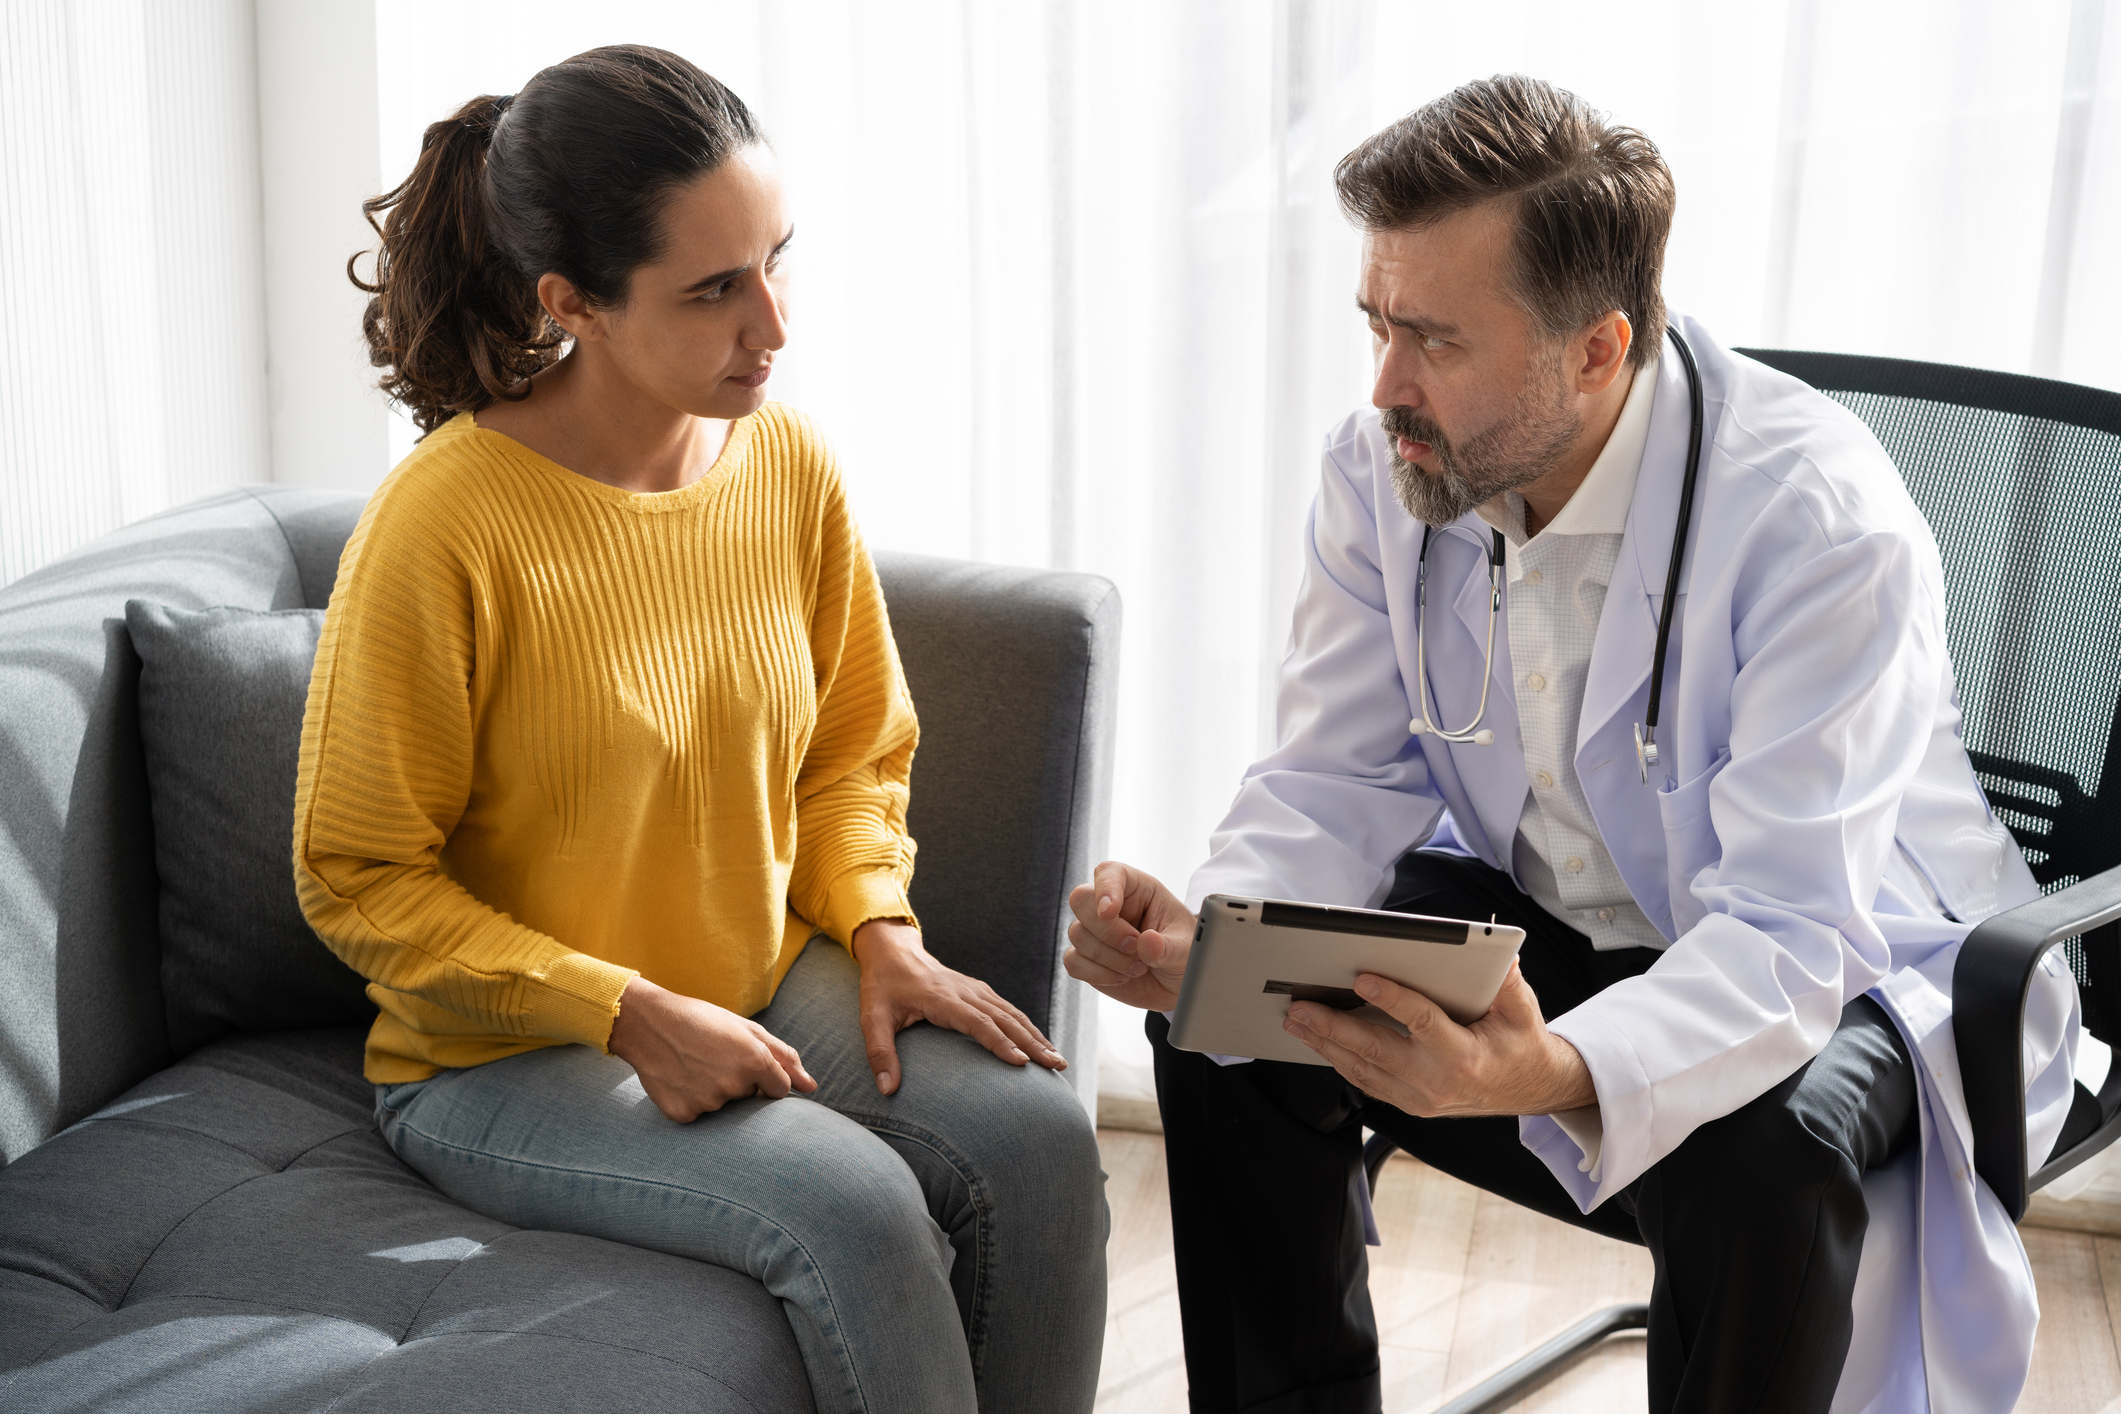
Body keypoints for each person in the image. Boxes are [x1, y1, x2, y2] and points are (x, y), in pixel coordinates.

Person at [1065, 75, 2078, 1414]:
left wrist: (1542, 1069)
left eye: (1430, 338)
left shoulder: (1818, 522)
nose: (1384, 385)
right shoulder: (1388, 464)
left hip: (1862, 958)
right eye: (1375, 323)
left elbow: (1788, 929)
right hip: (1558, 911)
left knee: (1762, 1164)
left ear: (1595, 350)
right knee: (1228, 1038)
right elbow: (1334, 772)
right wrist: (1223, 939)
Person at [296, 45, 1105, 1414]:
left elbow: (855, 748)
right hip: (500, 1058)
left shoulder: (783, 461)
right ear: (575, 303)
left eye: (777, 258)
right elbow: (357, 876)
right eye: (715, 288)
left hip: (754, 972)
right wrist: (616, 1007)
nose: (773, 322)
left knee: (1031, 1132)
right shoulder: (442, 527)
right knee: (852, 1209)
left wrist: (879, 924)